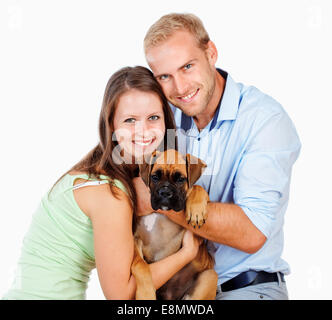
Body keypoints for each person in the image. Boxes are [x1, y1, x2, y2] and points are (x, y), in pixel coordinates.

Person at [134, 13, 301, 300]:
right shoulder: (162, 117)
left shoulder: (264, 121)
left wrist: (162, 200)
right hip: (171, 284)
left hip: (245, 286)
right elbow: (115, 166)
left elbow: (252, 231)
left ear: (211, 53)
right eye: (165, 76)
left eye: (187, 66)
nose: (180, 87)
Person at [2, 66, 201, 300]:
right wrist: (187, 253)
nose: (144, 131)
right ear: (111, 126)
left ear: (166, 122)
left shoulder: (98, 172)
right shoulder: (109, 193)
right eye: (130, 120)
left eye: (153, 118)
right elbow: (121, 296)